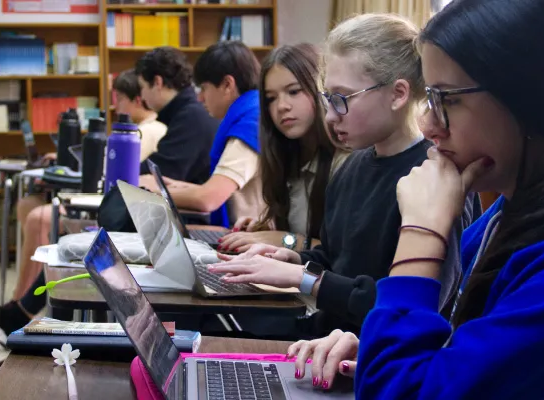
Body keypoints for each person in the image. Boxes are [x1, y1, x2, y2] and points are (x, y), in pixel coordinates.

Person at [284, 0, 544, 396]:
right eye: (430, 99)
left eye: (448, 99)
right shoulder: (515, 211)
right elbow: (478, 361)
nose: (429, 124)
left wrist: (422, 230)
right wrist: (379, 353)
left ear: (530, 101)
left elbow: (403, 394)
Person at [209, 14, 480, 339]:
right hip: (325, 338)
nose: (329, 116)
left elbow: (414, 309)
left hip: (373, 349)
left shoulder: (436, 180)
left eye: (341, 99)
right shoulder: (352, 167)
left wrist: (301, 277)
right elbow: (335, 258)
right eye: (327, 99)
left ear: (398, 94)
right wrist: (292, 258)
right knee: (211, 328)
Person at [0, 69, 172, 329]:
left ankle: (21, 308)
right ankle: (22, 304)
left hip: (123, 216)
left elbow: (107, 169)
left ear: (137, 99)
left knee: (42, 219)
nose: (115, 105)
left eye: (120, 99)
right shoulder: (138, 130)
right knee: (30, 208)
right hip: (116, 207)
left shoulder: (144, 132)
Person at [215, 43, 349, 254]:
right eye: (271, 98)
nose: (281, 106)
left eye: (293, 91)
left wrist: (282, 239)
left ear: (321, 90)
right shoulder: (286, 156)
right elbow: (297, 234)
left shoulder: (346, 162)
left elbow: (344, 254)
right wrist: (264, 230)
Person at [143, 41, 263, 228]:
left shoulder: (251, 123)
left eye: (204, 88)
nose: (200, 98)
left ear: (227, 84)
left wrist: (146, 191)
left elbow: (209, 199)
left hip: (251, 236)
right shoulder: (249, 113)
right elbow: (226, 192)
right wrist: (180, 187)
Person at [136, 46, 219, 184]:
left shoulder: (191, 117)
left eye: (142, 87)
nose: (142, 96)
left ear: (157, 82)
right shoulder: (189, 111)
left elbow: (162, 172)